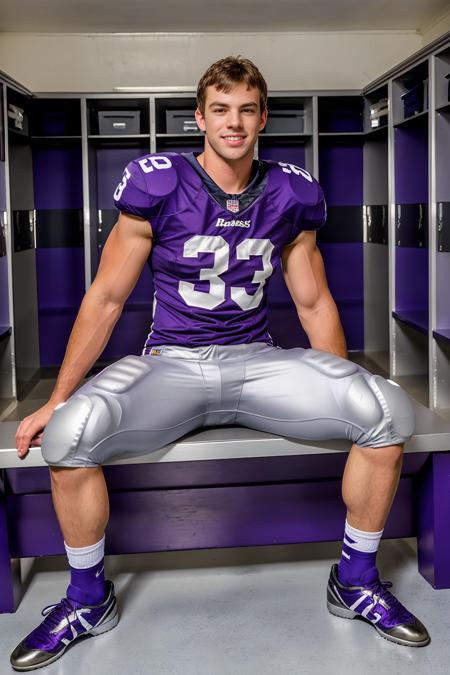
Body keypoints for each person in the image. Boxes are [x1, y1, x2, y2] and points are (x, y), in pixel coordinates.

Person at [10, 56, 429, 671]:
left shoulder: (289, 190)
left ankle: (356, 579)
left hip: (258, 360)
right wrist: (55, 398)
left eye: (248, 109)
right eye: (222, 110)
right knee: (69, 434)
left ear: (262, 118)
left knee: (383, 410)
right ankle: (86, 597)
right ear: (199, 118)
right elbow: (105, 299)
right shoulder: (158, 184)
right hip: (171, 362)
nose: (235, 123)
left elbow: (312, 301)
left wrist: (342, 386)